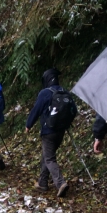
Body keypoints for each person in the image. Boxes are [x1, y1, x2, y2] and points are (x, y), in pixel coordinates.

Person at [25, 68, 71, 197]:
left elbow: (36, 110)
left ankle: (60, 183)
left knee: (49, 158)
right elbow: (73, 110)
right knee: (47, 155)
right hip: (61, 131)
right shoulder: (64, 91)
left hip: (48, 131)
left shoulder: (45, 93)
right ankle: (42, 183)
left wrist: (28, 125)